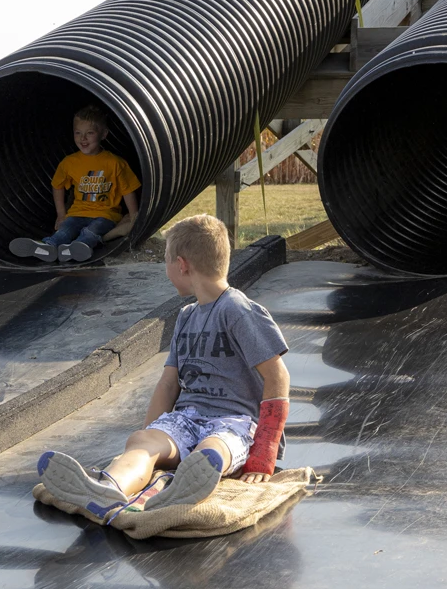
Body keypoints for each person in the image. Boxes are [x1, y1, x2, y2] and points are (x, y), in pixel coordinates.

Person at [38, 214, 291, 519]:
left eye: (167, 262)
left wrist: (264, 452)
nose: (167, 270)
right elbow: (168, 384)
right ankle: (108, 488)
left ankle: (185, 486)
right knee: (143, 443)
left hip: (233, 421)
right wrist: (149, 433)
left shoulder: (238, 310)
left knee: (212, 450)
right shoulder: (186, 317)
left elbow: (277, 375)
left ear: (182, 264)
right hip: (186, 418)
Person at [10, 105, 141, 263]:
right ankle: (47, 247)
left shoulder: (115, 163)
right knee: (65, 230)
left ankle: (78, 246)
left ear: (104, 134)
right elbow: (57, 185)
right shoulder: (70, 162)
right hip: (77, 212)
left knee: (93, 231)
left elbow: (128, 190)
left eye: (89, 133)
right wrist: (61, 214)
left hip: (106, 214)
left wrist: (134, 217)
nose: (82, 138)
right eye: (78, 133)